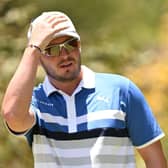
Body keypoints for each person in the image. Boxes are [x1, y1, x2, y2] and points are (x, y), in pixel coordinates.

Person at [1, 11, 167, 168]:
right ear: (37, 57)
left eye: (70, 43)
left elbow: (157, 163)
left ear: (79, 45)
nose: (65, 54)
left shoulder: (121, 91)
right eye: (52, 49)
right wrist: (32, 48)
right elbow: (12, 115)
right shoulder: (35, 101)